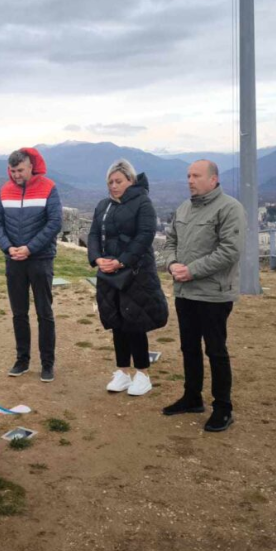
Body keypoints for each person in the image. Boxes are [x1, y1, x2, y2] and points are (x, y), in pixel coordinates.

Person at [157, 159, 244, 432]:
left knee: (216, 351)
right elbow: (170, 242)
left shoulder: (230, 208)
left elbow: (230, 251)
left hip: (213, 294)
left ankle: (223, 408)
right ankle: (192, 397)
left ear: (214, 179)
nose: (190, 180)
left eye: (196, 176)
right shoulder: (184, 207)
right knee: (189, 348)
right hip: (185, 292)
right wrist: (171, 264)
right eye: (188, 176)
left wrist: (192, 270)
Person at [88, 160, 168, 396]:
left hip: (136, 272)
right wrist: (96, 259)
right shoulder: (103, 205)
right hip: (109, 272)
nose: (114, 186)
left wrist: (122, 261)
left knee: (135, 323)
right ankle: (122, 371)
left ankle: (142, 373)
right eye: (110, 182)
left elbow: (144, 236)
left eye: (119, 181)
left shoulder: (143, 202)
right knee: (116, 322)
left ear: (131, 181)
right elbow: (93, 233)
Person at [0, 148, 62, 382]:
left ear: (31, 166)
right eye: (12, 171)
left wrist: (30, 248)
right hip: (14, 261)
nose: (16, 175)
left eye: (20, 170)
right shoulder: (4, 190)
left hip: (40, 260)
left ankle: (47, 364)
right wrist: (8, 247)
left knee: (44, 312)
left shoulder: (49, 187)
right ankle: (22, 360)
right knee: (19, 313)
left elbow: (54, 223)